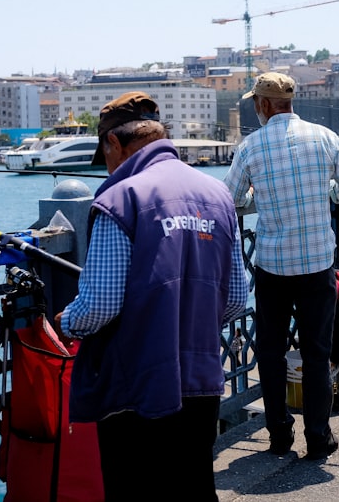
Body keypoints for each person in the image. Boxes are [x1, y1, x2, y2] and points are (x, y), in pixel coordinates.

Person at [55, 92, 248, 501]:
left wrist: (66, 321)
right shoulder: (218, 196)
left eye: (104, 155)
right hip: (202, 380)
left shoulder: (120, 199)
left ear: (113, 143)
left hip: (135, 385)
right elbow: (235, 299)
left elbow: (100, 305)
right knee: (193, 487)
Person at [224, 72, 339, 460]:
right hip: (319, 263)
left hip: (272, 266)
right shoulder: (323, 136)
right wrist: (328, 194)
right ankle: (318, 437)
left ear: (264, 105)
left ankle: (279, 436)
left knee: (270, 353)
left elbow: (232, 199)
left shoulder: (251, 146)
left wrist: (263, 199)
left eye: (256, 102)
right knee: (317, 353)